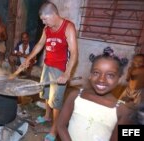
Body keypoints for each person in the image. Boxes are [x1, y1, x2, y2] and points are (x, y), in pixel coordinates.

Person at [18, 2, 78, 141]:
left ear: (53, 14)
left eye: (45, 19)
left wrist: (67, 73)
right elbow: (40, 44)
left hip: (60, 69)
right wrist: (29, 58)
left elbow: (74, 53)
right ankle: (46, 116)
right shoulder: (47, 29)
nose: (43, 22)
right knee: (45, 94)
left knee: (56, 102)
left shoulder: (68, 27)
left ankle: (54, 129)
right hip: (47, 65)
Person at [57, 47, 133, 141]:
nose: (101, 79)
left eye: (110, 75)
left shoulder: (122, 110)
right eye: (96, 73)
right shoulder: (76, 96)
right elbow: (61, 125)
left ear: (119, 79)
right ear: (90, 75)